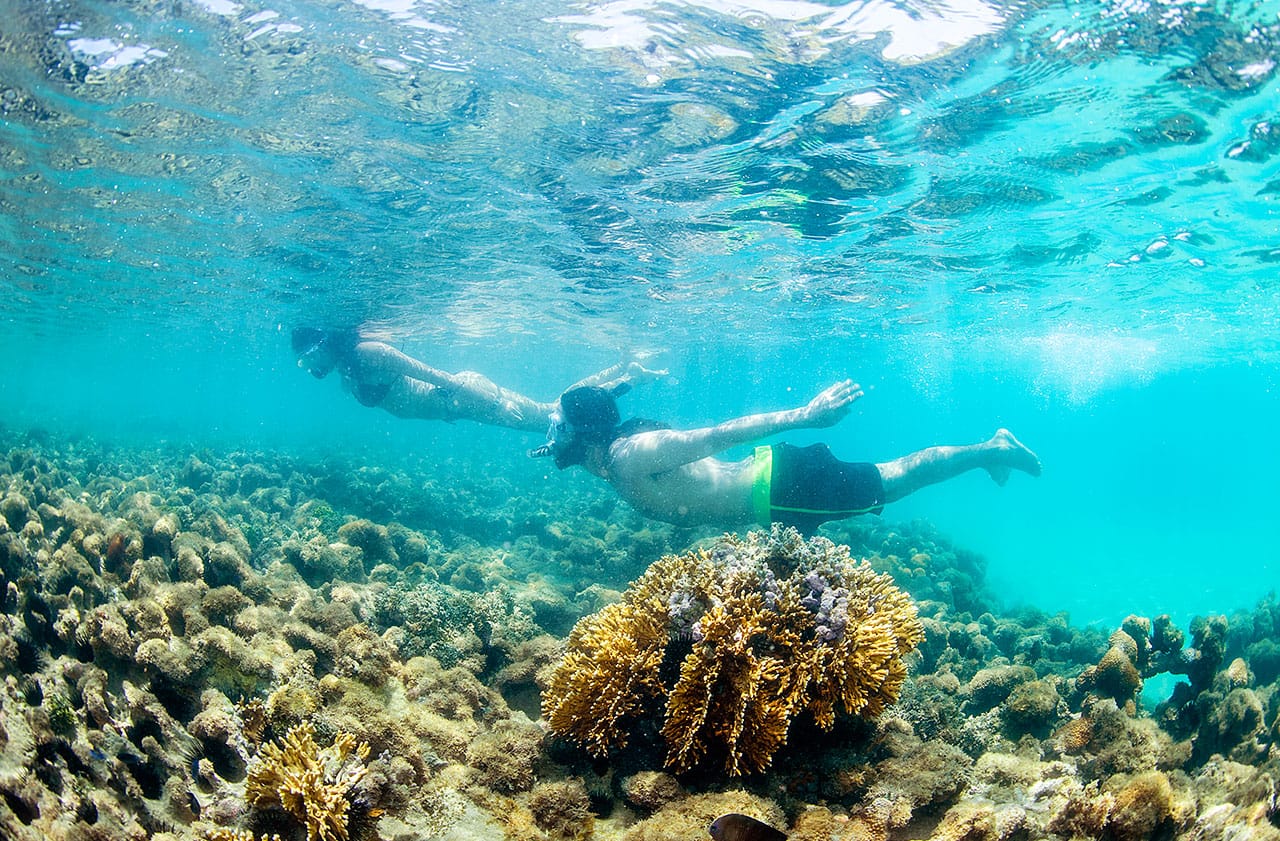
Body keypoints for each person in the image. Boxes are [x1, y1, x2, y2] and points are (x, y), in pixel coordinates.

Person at [534, 379, 1041, 530]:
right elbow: (590, 408)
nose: (551, 434)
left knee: (894, 480)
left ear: (585, 433)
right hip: (774, 485)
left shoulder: (629, 456)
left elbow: (719, 434)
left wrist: (807, 414)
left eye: (559, 426)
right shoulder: (606, 457)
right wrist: (627, 377)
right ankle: (987, 451)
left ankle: (991, 448)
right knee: (891, 478)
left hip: (785, 490)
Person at [291, 326, 663, 433]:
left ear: (322, 344)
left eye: (308, 357)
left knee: (552, 415)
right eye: (302, 362)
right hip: (455, 407)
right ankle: (626, 374)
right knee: (551, 413)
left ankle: (626, 375)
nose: (308, 366)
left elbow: (434, 375)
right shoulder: (346, 367)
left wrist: (494, 404)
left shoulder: (368, 353)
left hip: (464, 397)